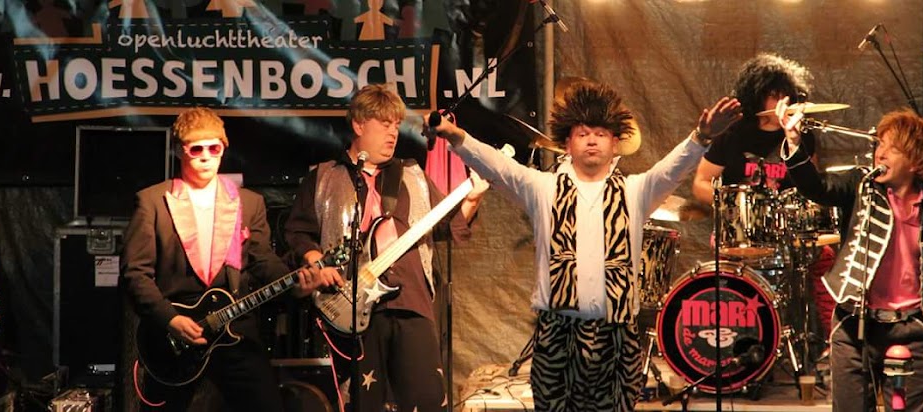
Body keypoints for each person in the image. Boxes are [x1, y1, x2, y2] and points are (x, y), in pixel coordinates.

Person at [425, 80, 741, 410]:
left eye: (601, 134)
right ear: (567, 143)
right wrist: (454, 134)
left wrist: (702, 137)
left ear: (615, 144)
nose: (592, 140)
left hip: (616, 336)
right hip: (557, 335)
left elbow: (671, 170)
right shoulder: (542, 188)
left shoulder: (635, 191)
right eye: (583, 133)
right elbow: (497, 165)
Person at [284, 83, 487, 412]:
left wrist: (473, 199)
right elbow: (297, 233)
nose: (393, 133)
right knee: (362, 401)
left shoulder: (413, 175)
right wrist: (316, 260)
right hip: (351, 305)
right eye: (384, 124)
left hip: (411, 301)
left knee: (427, 400)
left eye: (396, 124)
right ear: (359, 125)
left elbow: (447, 226)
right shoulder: (323, 178)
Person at [122, 107, 328, 411]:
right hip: (175, 329)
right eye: (196, 149)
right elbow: (135, 273)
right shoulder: (153, 201)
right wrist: (170, 319)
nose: (206, 156)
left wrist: (296, 285)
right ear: (179, 150)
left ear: (223, 149)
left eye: (214, 148)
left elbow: (263, 261)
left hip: (235, 327)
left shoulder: (248, 202)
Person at [777, 104, 923, 412]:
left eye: (890, 148)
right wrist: (793, 142)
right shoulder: (860, 186)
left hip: (913, 327)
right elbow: (816, 187)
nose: (879, 154)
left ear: (915, 161)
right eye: (879, 144)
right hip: (854, 324)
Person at [691, 53, 839, 339]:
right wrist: (736, 205)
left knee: (825, 259)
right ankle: (737, 338)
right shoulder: (732, 134)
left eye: (786, 93)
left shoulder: (802, 136)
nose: (782, 100)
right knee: (729, 273)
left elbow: (812, 188)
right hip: (738, 230)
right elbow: (700, 183)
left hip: (786, 229)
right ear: (756, 96)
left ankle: (833, 342)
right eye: (774, 94)